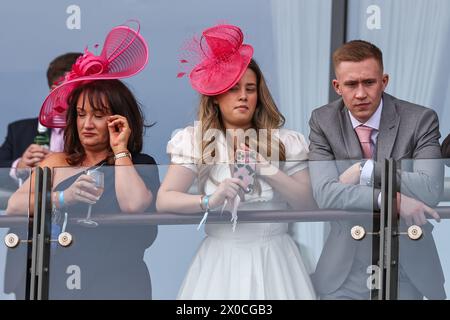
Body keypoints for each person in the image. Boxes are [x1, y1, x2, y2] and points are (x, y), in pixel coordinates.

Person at [157, 24, 316, 299]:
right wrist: (209, 201)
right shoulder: (194, 140)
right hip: (219, 263)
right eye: (232, 88)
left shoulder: (286, 141)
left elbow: (307, 202)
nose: (243, 95)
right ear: (216, 97)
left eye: (250, 88)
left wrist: (267, 169)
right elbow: (165, 199)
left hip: (276, 260)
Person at [6, 23, 159, 299]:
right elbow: (16, 205)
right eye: (80, 114)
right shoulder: (56, 160)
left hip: (118, 283)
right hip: (57, 282)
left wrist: (120, 149)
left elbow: (134, 204)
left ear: (119, 118)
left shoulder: (138, 162)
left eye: (98, 115)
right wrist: (62, 198)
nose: (87, 124)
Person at [308, 40, 445, 299]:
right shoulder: (322, 121)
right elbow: (325, 192)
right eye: (351, 84)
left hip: (407, 264)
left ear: (384, 81)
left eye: (369, 82)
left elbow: (430, 189)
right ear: (337, 87)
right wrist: (391, 200)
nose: (360, 93)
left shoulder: (420, 119)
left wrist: (366, 169)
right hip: (344, 272)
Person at [0, 52, 82, 189]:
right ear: (54, 91)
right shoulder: (18, 131)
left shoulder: (100, 130)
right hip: (28, 208)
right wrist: (19, 167)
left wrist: (61, 163)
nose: (87, 96)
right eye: (78, 90)